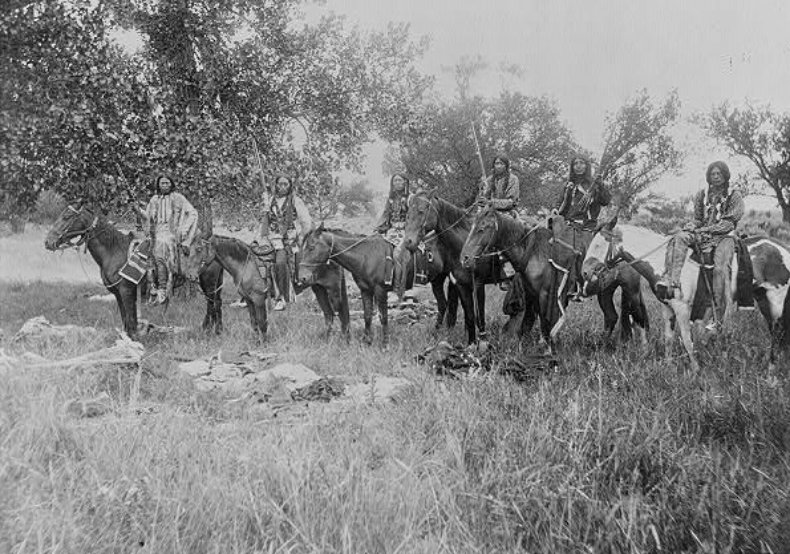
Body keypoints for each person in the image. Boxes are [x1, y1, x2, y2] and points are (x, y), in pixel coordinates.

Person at [657, 161, 744, 324]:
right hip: (702, 233)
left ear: (725, 175)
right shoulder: (702, 195)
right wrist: (691, 226)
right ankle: (672, 281)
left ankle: (718, 318)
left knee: (720, 269)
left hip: (725, 236)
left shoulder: (734, 195)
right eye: (713, 174)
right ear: (708, 176)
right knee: (678, 238)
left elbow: (730, 222)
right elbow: (698, 219)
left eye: (719, 174)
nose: (716, 177)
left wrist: (708, 230)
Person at [552, 156, 612, 299]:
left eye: (582, 163)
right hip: (570, 224)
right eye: (575, 164)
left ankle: (580, 286)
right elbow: (560, 203)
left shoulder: (594, 185)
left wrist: (601, 185)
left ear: (587, 166)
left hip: (587, 226)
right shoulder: (569, 184)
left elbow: (605, 201)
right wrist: (555, 209)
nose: (578, 166)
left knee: (580, 251)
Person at [259, 174, 313, 311]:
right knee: (255, 258)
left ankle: (281, 298)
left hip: (289, 240)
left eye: (285, 184)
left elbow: (306, 223)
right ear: (275, 185)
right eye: (280, 184)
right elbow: (265, 221)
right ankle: (255, 294)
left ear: (290, 186)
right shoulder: (270, 200)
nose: (282, 187)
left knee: (280, 262)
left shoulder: (295, 201)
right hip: (272, 238)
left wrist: (300, 238)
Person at [144, 174, 198, 304]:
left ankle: (162, 288)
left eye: (167, 183)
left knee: (161, 246)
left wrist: (183, 230)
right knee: (138, 247)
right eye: (162, 183)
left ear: (171, 184)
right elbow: (147, 217)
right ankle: (143, 286)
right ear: (158, 185)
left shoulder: (178, 198)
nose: (165, 186)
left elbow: (193, 213)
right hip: (155, 232)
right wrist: (137, 211)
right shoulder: (154, 200)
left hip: (171, 234)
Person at [375, 173, 415, 304]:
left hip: (406, 231)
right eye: (395, 181)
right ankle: (381, 287)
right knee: (379, 250)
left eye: (400, 180)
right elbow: (386, 215)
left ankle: (397, 290)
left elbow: (414, 217)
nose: (397, 183)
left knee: (398, 254)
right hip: (391, 231)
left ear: (405, 182)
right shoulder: (390, 199)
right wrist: (379, 227)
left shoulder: (410, 198)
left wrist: (409, 230)